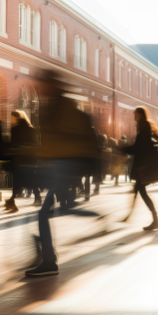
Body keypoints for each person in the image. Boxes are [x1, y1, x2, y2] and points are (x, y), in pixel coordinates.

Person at [28, 70, 100, 276]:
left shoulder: (64, 108)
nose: (38, 88)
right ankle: (47, 252)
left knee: (46, 212)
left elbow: (71, 141)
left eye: (41, 83)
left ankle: (49, 260)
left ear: (51, 85)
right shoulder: (48, 107)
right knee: (61, 209)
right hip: (57, 165)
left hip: (66, 166)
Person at [122, 107, 158, 230]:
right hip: (143, 166)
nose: (134, 116)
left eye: (135, 114)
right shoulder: (144, 128)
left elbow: (138, 148)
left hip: (143, 167)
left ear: (140, 114)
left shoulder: (143, 129)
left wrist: (124, 149)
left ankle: (155, 219)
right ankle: (129, 216)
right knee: (138, 191)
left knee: (142, 192)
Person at [5, 110, 40, 212]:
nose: (11, 121)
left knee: (17, 180)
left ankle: (12, 201)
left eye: (12, 118)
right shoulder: (31, 129)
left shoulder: (15, 129)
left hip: (19, 159)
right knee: (31, 179)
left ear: (16, 118)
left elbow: (13, 145)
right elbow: (36, 145)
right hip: (30, 160)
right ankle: (37, 198)